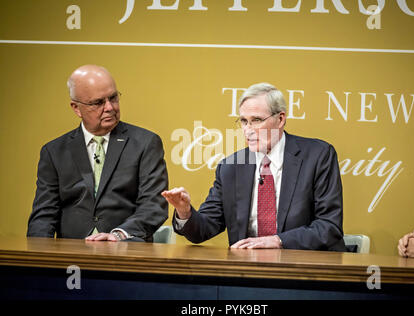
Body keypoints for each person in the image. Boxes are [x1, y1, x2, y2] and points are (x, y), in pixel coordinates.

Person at [162, 83, 346, 250]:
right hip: (247, 270)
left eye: (256, 120)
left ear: (280, 119)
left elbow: (328, 227)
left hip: (305, 268)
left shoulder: (318, 155)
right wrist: (184, 212)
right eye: (243, 121)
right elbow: (203, 230)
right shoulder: (231, 167)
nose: (247, 130)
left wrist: (277, 240)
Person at [27, 65, 168, 242]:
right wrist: (38, 257)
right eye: (98, 102)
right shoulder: (54, 152)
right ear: (76, 108)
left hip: (126, 251)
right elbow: (44, 214)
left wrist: (118, 235)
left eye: (113, 98)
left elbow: (153, 206)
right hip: (71, 252)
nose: (109, 107)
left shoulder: (145, 143)